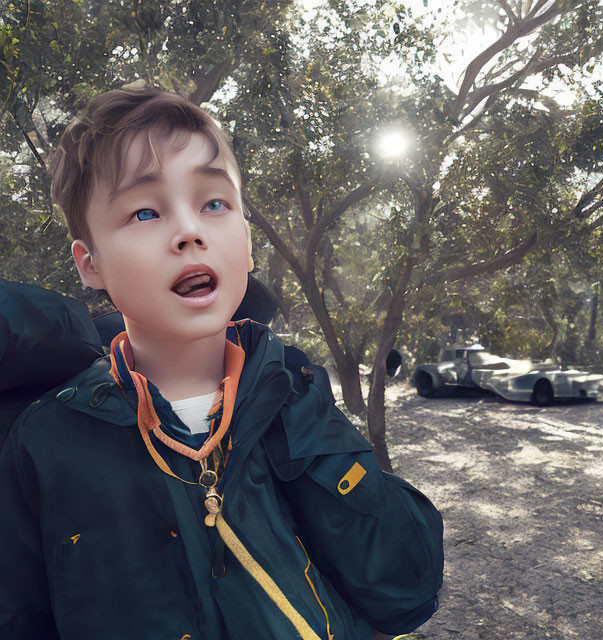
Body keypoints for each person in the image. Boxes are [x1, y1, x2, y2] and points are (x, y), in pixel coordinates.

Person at [0, 86, 444, 639]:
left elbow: (408, 591)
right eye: (144, 211)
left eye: (214, 203)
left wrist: (305, 432)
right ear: (90, 265)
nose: (190, 231)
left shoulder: (293, 390)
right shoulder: (44, 443)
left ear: (248, 242)